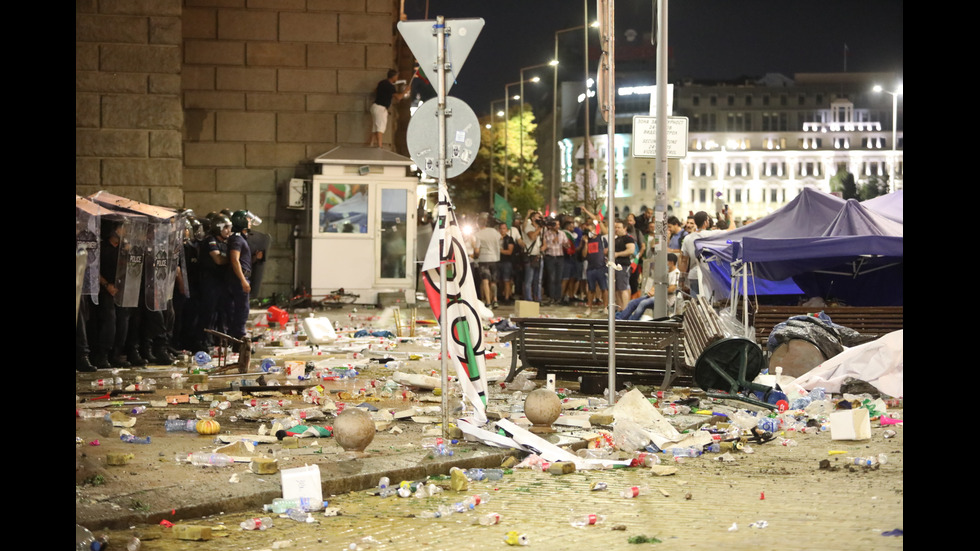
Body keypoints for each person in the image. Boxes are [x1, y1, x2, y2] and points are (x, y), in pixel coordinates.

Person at [616, 253, 680, 320]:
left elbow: (672, 288)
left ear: (672, 262)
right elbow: (657, 283)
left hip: (666, 299)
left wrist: (657, 292)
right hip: (656, 295)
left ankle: (632, 321)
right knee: (633, 303)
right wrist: (652, 291)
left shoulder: (676, 273)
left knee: (643, 303)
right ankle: (620, 318)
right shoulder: (666, 272)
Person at [227, 210, 259, 340]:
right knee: (241, 309)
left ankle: (238, 337)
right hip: (238, 279)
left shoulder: (240, 238)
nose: (250, 222)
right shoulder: (237, 239)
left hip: (242, 277)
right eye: (248, 219)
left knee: (241, 309)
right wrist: (242, 280)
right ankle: (239, 339)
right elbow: (235, 260)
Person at [679, 211, 723, 300]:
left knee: (695, 303)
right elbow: (732, 229)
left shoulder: (687, 238)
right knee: (709, 302)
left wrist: (682, 280)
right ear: (706, 222)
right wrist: (729, 215)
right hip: (709, 274)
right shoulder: (712, 234)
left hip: (693, 275)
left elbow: (684, 260)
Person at [368, 69, 405, 148]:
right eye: (397, 76)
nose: (397, 78)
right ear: (394, 76)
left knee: (375, 127)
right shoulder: (390, 86)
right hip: (381, 108)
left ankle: (371, 144)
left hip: (374, 106)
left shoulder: (382, 82)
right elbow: (398, 97)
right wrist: (406, 91)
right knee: (380, 128)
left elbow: (376, 90)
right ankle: (379, 146)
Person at [472, 214, 501, 308]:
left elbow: (476, 250)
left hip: (484, 259)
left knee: (485, 281)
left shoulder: (478, 234)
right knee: (493, 281)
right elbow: (500, 238)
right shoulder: (494, 231)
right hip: (495, 259)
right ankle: (495, 300)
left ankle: (488, 302)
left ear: (477, 224)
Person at [582, 218, 608, 316]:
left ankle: (605, 307)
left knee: (604, 288)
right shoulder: (587, 241)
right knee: (591, 289)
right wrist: (585, 243)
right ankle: (589, 307)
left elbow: (607, 250)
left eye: (591, 230)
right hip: (591, 268)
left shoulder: (601, 238)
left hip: (601, 267)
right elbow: (584, 255)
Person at [540, 216, 567, 305]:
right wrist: (552, 242)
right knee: (551, 278)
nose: (557, 226)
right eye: (555, 224)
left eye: (558, 224)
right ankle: (551, 297)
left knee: (558, 278)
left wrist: (565, 243)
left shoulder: (562, 233)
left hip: (560, 257)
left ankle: (558, 297)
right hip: (550, 257)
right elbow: (545, 245)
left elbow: (567, 245)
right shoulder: (546, 233)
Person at [612, 219, 636, 310]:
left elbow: (631, 250)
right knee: (617, 289)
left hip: (623, 266)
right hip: (615, 266)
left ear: (625, 228)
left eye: (619, 227)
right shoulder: (616, 239)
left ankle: (625, 310)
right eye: (615, 227)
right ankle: (620, 309)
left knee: (623, 288)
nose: (616, 229)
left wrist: (618, 254)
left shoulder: (628, 238)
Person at [522, 210, 544, 302]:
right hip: (530, 256)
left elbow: (544, 241)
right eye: (538, 217)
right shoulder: (528, 226)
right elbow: (532, 236)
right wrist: (540, 228)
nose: (540, 218)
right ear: (533, 218)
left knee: (538, 280)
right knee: (529, 279)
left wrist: (543, 248)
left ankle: (537, 298)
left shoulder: (541, 228)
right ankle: (528, 299)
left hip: (538, 256)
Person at [497, 221, 516, 304]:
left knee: (506, 280)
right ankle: (500, 295)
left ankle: (507, 297)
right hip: (497, 261)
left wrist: (499, 250)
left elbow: (509, 251)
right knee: (499, 280)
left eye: (504, 229)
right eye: (501, 229)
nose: (502, 230)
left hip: (507, 262)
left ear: (507, 230)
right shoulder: (496, 238)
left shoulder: (509, 239)